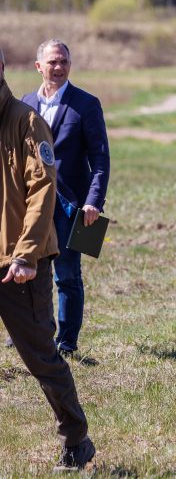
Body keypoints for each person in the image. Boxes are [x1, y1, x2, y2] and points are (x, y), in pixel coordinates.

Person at [0, 57, 96, 470]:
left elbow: (43, 188)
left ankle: (76, 439)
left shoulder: (25, 120)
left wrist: (26, 253)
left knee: (40, 356)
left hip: (19, 262)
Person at [22, 40, 110, 358]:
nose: (58, 68)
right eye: (52, 62)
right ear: (39, 66)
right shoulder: (26, 104)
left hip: (73, 205)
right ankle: (36, 332)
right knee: (32, 271)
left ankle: (67, 343)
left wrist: (94, 202)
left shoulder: (86, 104)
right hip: (32, 203)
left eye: (64, 62)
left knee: (67, 275)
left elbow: (100, 157)